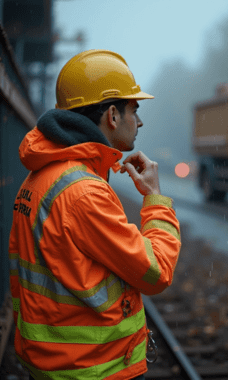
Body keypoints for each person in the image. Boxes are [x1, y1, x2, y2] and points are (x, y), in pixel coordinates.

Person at [8, 50, 181, 380]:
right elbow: (156, 272)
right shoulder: (83, 192)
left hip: (54, 363)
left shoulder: (42, 177)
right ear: (112, 115)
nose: (140, 121)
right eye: (135, 109)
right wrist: (155, 199)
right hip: (93, 369)